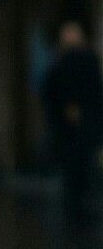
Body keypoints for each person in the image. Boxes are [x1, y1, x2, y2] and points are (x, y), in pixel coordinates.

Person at [41, 22, 103, 223]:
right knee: (77, 169)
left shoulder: (70, 60)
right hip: (74, 128)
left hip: (78, 127)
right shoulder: (68, 60)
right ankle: (76, 208)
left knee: (78, 169)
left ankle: (76, 207)